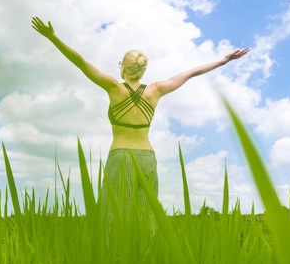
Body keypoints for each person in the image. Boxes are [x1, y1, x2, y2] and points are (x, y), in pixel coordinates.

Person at [31, 16, 249, 212]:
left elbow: (80, 62)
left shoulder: (114, 88)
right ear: (143, 69)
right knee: (146, 214)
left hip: (121, 156)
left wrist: (53, 38)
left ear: (123, 68)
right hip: (147, 158)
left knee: (113, 213)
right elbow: (191, 73)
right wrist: (224, 60)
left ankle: (113, 256)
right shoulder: (156, 90)